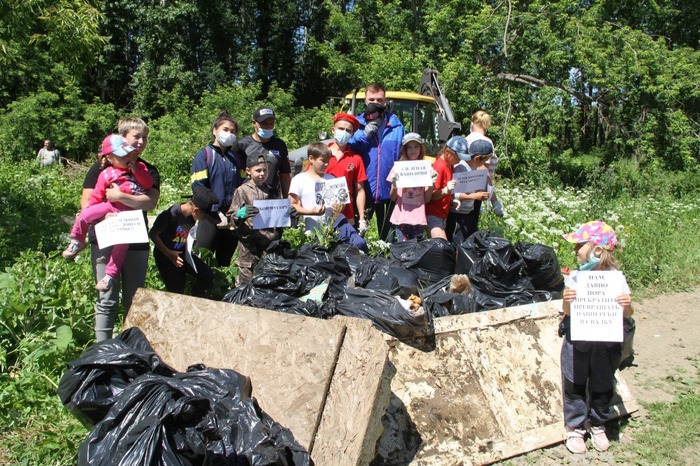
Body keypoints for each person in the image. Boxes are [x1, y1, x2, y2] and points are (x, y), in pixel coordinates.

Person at [80, 117, 159, 342]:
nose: (141, 141)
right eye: (136, 136)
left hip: (135, 239)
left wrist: (120, 197)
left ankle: (129, 347)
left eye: (145, 137)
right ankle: (102, 349)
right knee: (106, 298)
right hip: (105, 237)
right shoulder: (100, 168)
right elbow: (87, 204)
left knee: (134, 299)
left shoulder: (147, 170)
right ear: (121, 138)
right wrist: (106, 212)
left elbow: (150, 202)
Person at [560, 221, 634, 454]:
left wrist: (627, 305)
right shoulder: (576, 278)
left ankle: (598, 423)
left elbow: (628, 314)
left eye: (579, 245)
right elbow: (568, 312)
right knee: (575, 382)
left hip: (607, 343)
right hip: (579, 340)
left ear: (597, 250)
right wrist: (567, 300)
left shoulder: (616, 280)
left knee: (603, 383)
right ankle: (575, 427)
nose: (575, 251)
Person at [63, 134, 153, 292]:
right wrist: (95, 214)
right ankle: (77, 240)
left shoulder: (140, 168)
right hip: (110, 207)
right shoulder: (105, 173)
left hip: (128, 214)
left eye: (127, 153)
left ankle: (110, 276)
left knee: (121, 245)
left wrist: (136, 171)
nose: (127, 157)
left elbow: (148, 183)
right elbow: (96, 195)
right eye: (122, 155)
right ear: (110, 158)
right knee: (85, 214)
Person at [349, 83, 405, 240]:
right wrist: (364, 134)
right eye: (371, 99)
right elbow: (348, 150)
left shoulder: (396, 125)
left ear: (385, 101)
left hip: (389, 191)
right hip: (362, 190)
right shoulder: (356, 124)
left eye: (379, 99)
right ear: (365, 101)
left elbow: (405, 154)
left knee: (387, 240)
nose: (375, 103)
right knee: (357, 237)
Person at [288, 143, 367, 251]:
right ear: (311, 158)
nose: (326, 164)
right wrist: (312, 212)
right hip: (314, 226)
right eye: (323, 161)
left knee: (359, 244)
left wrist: (339, 207)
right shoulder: (298, 180)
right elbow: (292, 205)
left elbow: (342, 204)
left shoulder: (333, 179)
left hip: (338, 222)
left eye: (328, 161)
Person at [190, 110, 245, 267]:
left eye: (233, 131)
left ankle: (220, 291)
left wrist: (238, 210)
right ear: (215, 131)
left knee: (224, 263)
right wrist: (215, 211)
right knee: (202, 260)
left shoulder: (236, 158)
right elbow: (198, 188)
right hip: (209, 217)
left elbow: (243, 184)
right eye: (225, 130)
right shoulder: (204, 155)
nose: (229, 134)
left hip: (231, 218)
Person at [227, 146, 284, 286]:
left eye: (265, 170)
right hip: (248, 247)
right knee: (246, 285)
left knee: (267, 283)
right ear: (248, 171)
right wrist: (239, 215)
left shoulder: (272, 191)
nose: (262, 174)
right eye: (258, 170)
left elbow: (280, 217)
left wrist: (289, 214)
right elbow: (231, 219)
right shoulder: (242, 191)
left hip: (269, 245)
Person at [150, 187, 220, 297]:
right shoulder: (171, 215)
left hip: (183, 254)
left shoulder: (192, 216)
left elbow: (186, 232)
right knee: (177, 291)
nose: (204, 220)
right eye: (205, 217)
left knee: (207, 274)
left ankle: (195, 297)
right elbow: (153, 234)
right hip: (166, 256)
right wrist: (169, 254)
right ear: (195, 210)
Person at [387, 133, 435, 242]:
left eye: (416, 146)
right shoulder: (398, 167)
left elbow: (426, 199)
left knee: (417, 250)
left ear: (421, 148)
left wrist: (432, 183)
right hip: (401, 217)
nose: (412, 150)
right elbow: (393, 198)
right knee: (403, 249)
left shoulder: (426, 167)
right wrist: (395, 185)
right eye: (409, 147)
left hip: (418, 217)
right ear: (404, 149)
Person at [236, 106, 292, 197]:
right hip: (248, 199)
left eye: (271, 123)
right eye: (264, 124)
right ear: (254, 123)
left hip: (272, 199)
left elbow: (285, 176)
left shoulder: (280, 145)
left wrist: (289, 202)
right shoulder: (241, 145)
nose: (268, 127)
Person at [326, 112, 368, 233]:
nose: (344, 132)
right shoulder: (321, 154)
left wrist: (361, 219)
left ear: (352, 134)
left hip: (347, 215)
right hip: (322, 212)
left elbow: (360, 190)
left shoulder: (356, 159)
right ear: (333, 130)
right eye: (341, 128)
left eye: (348, 130)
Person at [446, 139, 493, 246]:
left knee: (469, 242)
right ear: (477, 158)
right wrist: (475, 196)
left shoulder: (474, 168)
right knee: (458, 244)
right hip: (457, 215)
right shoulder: (461, 168)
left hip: (468, 212)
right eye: (484, 160)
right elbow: (455, 194)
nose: (484, 164)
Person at [466, 110, 503, 217]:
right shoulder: (486, 143)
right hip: (477, 193)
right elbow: (483, 173)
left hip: (463, 190)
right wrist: (495, 202)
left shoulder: (466, 139)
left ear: (472, 123)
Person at [424, 136, 460, 239]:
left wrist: (452, 200)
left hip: (442, 215)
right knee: (442, 250)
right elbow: (430, 196)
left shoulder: (450, 165)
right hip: (433, 215)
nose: (459, 160)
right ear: (448, 152)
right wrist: (445, 190)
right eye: (457, 157)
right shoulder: (440, 166)